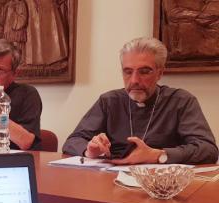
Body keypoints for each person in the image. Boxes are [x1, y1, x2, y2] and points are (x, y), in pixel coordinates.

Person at [62, 37, 218, 165]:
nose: (134, 80)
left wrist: (158, 155)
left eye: (144, 71)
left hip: (162, 189)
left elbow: (208, 150)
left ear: (160, 73)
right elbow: (73, 141)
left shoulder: (181, 101)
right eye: (128, 72)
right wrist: (90, 150)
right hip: (111, 183)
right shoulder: (109, 101)